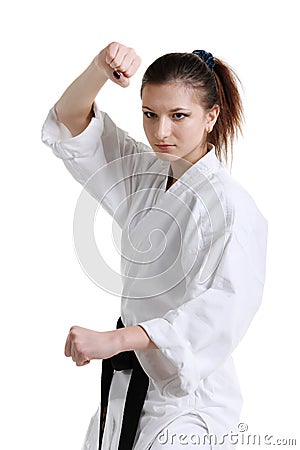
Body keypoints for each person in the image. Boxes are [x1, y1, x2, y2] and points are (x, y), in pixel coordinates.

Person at [41, 42, 268, 450]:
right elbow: (71, 121)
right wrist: (98, 68)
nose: (161, 131)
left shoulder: (233, 209)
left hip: (187, 404)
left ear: (210, 116)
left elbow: (218, 312)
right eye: (150, 114)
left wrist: (116, 340)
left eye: (179, 116)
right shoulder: (146, 172)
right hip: (125, 392)